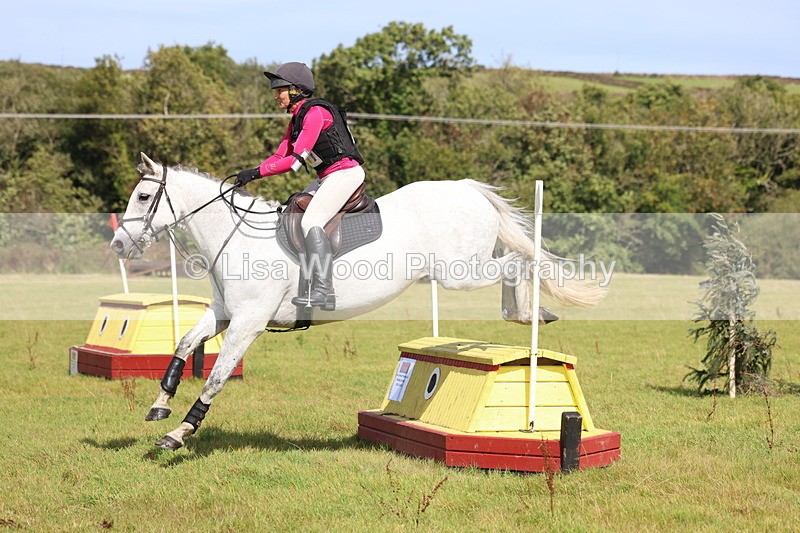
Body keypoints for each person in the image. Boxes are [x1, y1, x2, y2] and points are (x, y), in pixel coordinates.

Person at [234, 62, 365, 311]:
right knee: (290, 210)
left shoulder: (315, 113)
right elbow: (277, 156)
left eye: (279, 89)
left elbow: (294, 162)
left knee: (310, 222)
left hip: (345, 174)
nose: (275, 95)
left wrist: (258, 173)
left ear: (295, 90)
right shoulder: (296, 119)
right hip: (327, 176)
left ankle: (325, 291)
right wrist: (251, 174)